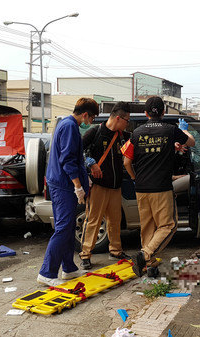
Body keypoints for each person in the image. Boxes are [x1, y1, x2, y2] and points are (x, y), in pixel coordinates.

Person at [121, 96, 195, 277]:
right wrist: (186, 131)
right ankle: (144, 254)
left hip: (141, 189)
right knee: (169, 225)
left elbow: (126, 161)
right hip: (161, 188)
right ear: (164, 112)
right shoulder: (170, 130)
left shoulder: (136, 133)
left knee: (148, 227)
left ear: (145, 113)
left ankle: (149, 265)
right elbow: (191, 142)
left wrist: (134, 178)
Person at [38, 98, 99, 287]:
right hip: (64, 186)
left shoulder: (65, 124)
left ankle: (69, 268)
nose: (91, 121)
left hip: (59, 183)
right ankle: (46, 272)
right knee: (64, 228)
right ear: (85, 114)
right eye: (92, 117)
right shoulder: (71, 127)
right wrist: (78, 185)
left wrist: (83, 177)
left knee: (68, 227)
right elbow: (68, 160)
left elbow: (73, 158)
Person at [79, 101, 131, 270]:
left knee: (115, 220)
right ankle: (85, 254)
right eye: (127, 120)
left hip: (116, 187)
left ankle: (115, 251)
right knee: (93, 220)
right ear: (118, 118)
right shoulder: (96, 132)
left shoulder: (122, 135)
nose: (127, 124)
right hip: (99, 186)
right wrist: (90, 163)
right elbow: (77, 151)